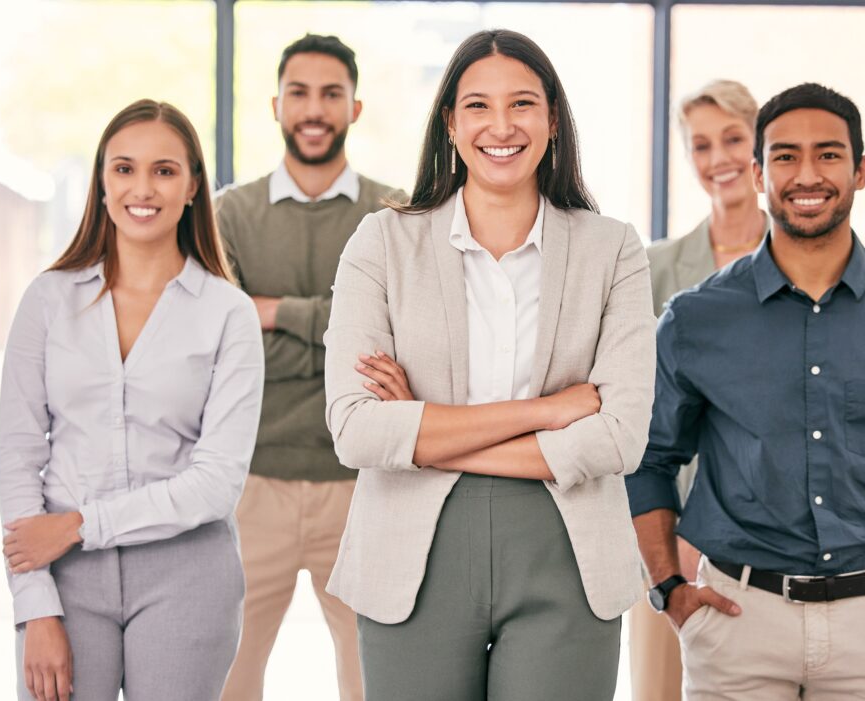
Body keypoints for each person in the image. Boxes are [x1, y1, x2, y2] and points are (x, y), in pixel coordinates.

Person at [323, 29, 655, 701]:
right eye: (477, 105)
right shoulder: (383, 242)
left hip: (568, 552)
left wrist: (425, 431)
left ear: (552, 118)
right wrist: (547, 411)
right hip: (410, 555)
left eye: (523, 104)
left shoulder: (613, 249)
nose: (501, 126)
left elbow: (618, 437)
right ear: (450, 121)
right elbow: (357, 432)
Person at [627, 82, 865, 700]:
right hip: (736, 626)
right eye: (786, 156)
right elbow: (648, 458)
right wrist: (669, 587)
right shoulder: (695, 319)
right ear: (761, 174)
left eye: (829, 154)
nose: (807, 174)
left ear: (860, 170)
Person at [0, 99, 264, 701]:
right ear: (101, 180)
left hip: (187, 573)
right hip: (63, 577)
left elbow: (217, 481)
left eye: (165, 171)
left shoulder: (228, 314)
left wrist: (77, 526)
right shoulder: (48, 301)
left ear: (195, 184)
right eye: (124, 169)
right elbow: (17, 457)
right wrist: (34, 605)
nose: (142, 188)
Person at [216, 34, 403, 701]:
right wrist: (339, 328)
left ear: (355, 107)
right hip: (251, 486)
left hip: (363, 488)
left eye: (331, 94)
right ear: (275, 105)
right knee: (225, 681)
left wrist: (272, 312)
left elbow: (397, 344)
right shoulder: (228, 215)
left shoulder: (395, 213)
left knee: (375, 682)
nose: (314, 108)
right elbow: (226, 346)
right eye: (300, 93)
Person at [629, 79, 766, 701]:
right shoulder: (654, 269)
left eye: (733, 138)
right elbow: (633, 406)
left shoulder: (806, 262)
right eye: (701, 145)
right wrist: (666, 541)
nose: (719, 159)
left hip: (769, 540)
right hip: (666, 535)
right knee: (659, 689)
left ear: (761, 144)